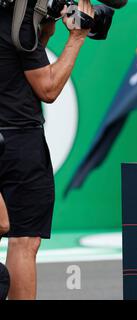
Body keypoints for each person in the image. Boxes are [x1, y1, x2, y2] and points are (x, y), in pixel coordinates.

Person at [0, 0, 94, 300]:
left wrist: (44, 33)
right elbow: (48, 87)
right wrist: (77, 38)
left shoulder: (17, 23)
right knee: (23, 240)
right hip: (17, 141)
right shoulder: (19, 21)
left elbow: (14, 62)